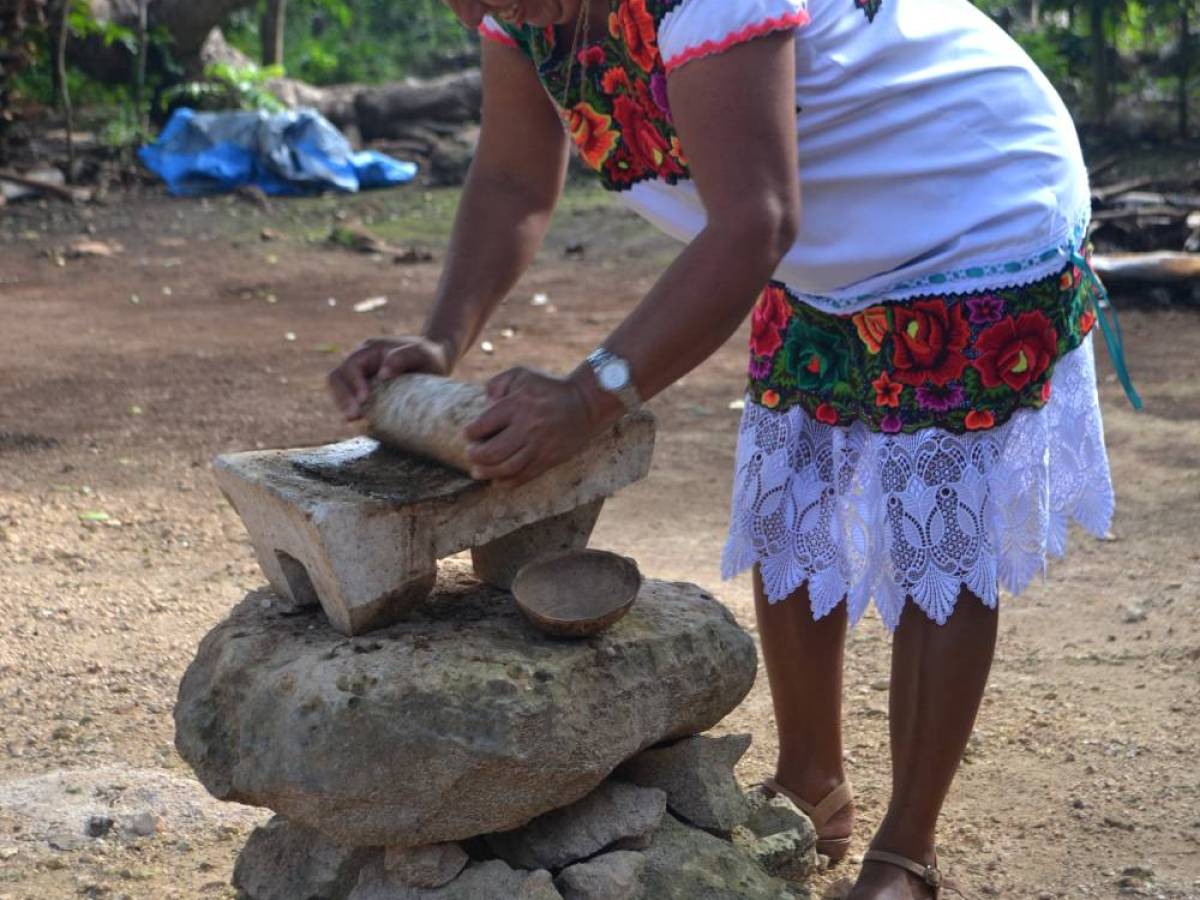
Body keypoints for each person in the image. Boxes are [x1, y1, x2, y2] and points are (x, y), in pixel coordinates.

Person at [328, 0, 1130, 895]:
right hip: (818, 235)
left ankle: (907, 852)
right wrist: (441, 342)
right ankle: (808, 789)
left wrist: (592, 394)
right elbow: (514, 181)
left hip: (969, 201)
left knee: (933, 539)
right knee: (792, 505)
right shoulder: (523, 14)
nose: (471, 9)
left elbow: (754, 221)